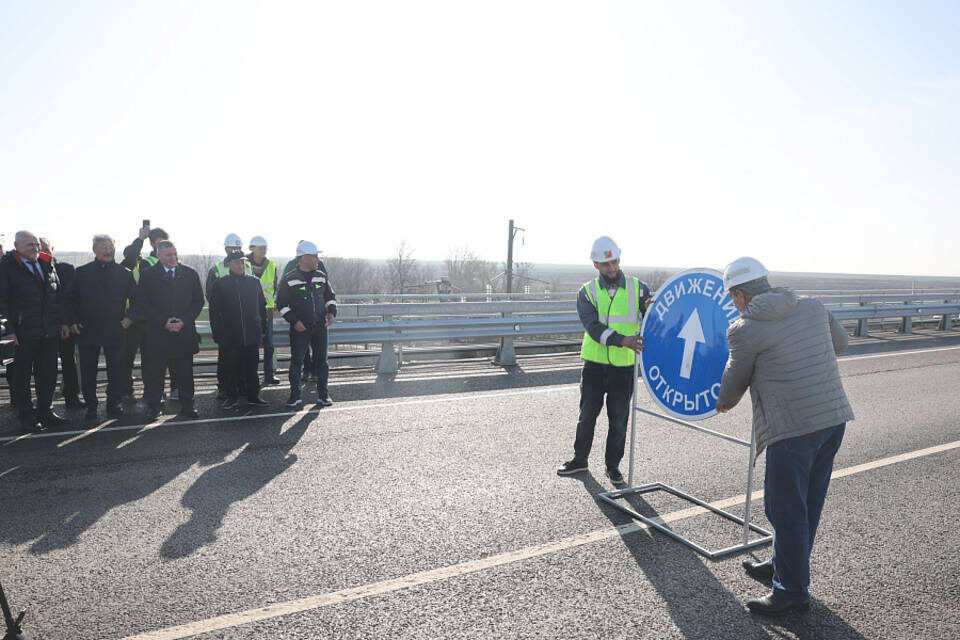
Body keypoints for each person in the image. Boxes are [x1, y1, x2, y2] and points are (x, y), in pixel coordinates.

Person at [715, 256, 854, 616]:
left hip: (792, 430)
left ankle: (791, 590)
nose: (734, 303)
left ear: (742, 295)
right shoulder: (813, 306)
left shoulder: (745, 329)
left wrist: (723, 403)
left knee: (784, 509)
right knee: (806, 504)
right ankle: (783, 566)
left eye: (732, 297)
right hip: (832, 420)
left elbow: (734, 380)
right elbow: (841, 343)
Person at [556, 236, 651, 487]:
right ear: (595, 264)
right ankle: (580, 459)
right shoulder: (586, 292)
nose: (612, 268)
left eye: (615, 262)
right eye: (606, 264)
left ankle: (613, 467)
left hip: (624, 368)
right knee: (587, 415)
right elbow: (593, 327)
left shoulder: (638, 288)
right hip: (595, 367)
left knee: (618, 419)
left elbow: (652, 316)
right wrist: (623, 340)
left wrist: (652, 306)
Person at [0, 231, 70, 431]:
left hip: (49, 331)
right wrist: (7, 331)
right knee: (22, 376)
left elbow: (56, 297)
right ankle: (27, 416)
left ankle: (46, 411)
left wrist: (63, 322)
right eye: (29, 244)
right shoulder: (6, 268)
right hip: (21, 333)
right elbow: (1, 303)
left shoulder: (47, 264)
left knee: (48, 374)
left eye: (36, 244)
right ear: (17, 246)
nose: (35, 248)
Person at [64, 235, 137, 420]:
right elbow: (69, 300)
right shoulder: (81, 272)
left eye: (111, 246)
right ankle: (91, 406)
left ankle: (114, 403)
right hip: (87, 329)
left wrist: (129, 319)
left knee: (117, 370)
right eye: (103, 247)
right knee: (88, 371)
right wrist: (72, 321)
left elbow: (138, 301)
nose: (108, 250)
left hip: (116, 328)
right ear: (94, 250)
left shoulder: (125, 274)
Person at [136, 240, 204, 420]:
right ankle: (154, 407)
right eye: (168, 255)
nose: (173, 258)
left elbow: (198, 301)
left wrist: (184, 320)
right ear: (158, 255)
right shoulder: (148, 275)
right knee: (155, 374)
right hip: (159, 334)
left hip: (184, 332)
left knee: (185, 373)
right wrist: (163, 322)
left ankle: (187, 405)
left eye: (175, 254)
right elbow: (143, 303)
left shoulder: (189, 274)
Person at [275, 240, 337, 408]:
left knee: (322, 362)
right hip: (300, 328)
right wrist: (294, 321)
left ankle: (323, 395)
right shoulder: (290, 278)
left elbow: (330, 297)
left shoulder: (321, 276)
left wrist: (332, 312)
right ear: (304, 257)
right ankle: (295, 396)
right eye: (314, 256)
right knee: (296, 362)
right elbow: (281, 304)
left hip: (320, 327)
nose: (318, 259)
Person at [209, 251, 269, 409]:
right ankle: (231, 397)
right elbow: (214, 313)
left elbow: (262, 308)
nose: (240, 265)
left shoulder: (254, 282)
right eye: (236, 263)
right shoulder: (220, 284)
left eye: (242, 262)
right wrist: (218, 334)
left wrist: (262, 329)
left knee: (252, 368)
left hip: (251, 334)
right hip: (230, 335)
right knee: (231, 368)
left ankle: (253, 396)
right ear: (229, 264)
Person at [120, 224, 170, 404]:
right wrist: (140, 238)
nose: (161, 246)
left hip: (153, 320)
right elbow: (131, 256)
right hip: (133, 319)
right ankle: (126, 391)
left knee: (152, 359)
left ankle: (153, 391)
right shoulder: (140, 262)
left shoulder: (169, 261)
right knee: (127, 357)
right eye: (157, 243)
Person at [39, 237, 83, 408]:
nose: (42, 252)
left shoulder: (65, 269)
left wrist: (67, 322)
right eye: (39, 248)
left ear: (52, 249)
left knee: (68, 361)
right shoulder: (32, 269)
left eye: (45, 248)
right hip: (41, 326)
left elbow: (68, 298)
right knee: (43, 365)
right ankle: (44, 402)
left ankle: (71, 396)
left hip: (63, 324)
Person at [206, 233, 251, 399]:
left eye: (238, 248)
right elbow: (211, 296)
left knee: (243, 359)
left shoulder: (247, 265)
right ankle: (224, 387)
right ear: (226, 248)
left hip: (243, 322)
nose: (235, 250)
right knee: (225, 358)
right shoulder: (216, 269)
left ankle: (241, 386)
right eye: (233, 248)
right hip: (226, 322)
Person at [247, 235, 280, 385]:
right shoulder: (244, 263)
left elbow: (274, 286)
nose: (264, 251)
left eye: (265, 248)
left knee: (269, 345)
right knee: (250, 347)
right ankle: (250, 377)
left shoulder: (271, 264)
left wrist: (273, 302)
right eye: (261, 248)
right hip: (249, 311)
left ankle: (269, 375)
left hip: (267, 311)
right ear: (252, 248)